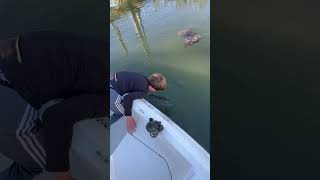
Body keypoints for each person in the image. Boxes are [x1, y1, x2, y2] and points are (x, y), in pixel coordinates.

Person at [0, 31, 107, 180]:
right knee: (42, 163)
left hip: (10, 51)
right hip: (10, 89)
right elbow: (55, 116)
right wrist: (63, 173)